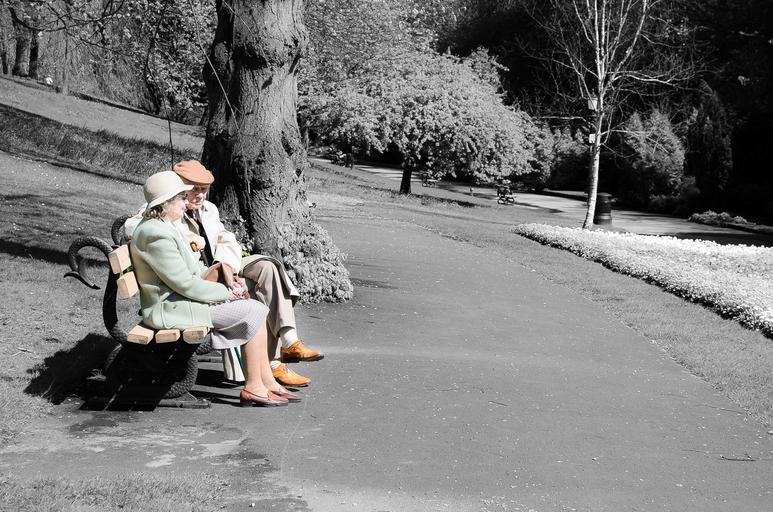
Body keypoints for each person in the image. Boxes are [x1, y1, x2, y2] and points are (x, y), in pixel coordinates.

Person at [124, 160, 322, 387]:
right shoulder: (163, 210)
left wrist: (225, 263)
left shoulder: (209, 210)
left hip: (221, 264)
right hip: (200, 275)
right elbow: (135, 225)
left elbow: (226, 237)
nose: (198, 195)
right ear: (179, 189)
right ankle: (271, 365)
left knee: (268, 267)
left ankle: (289, 340)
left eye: (204, 189)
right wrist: (187, 237)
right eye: (193, 190)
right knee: (251, 300)